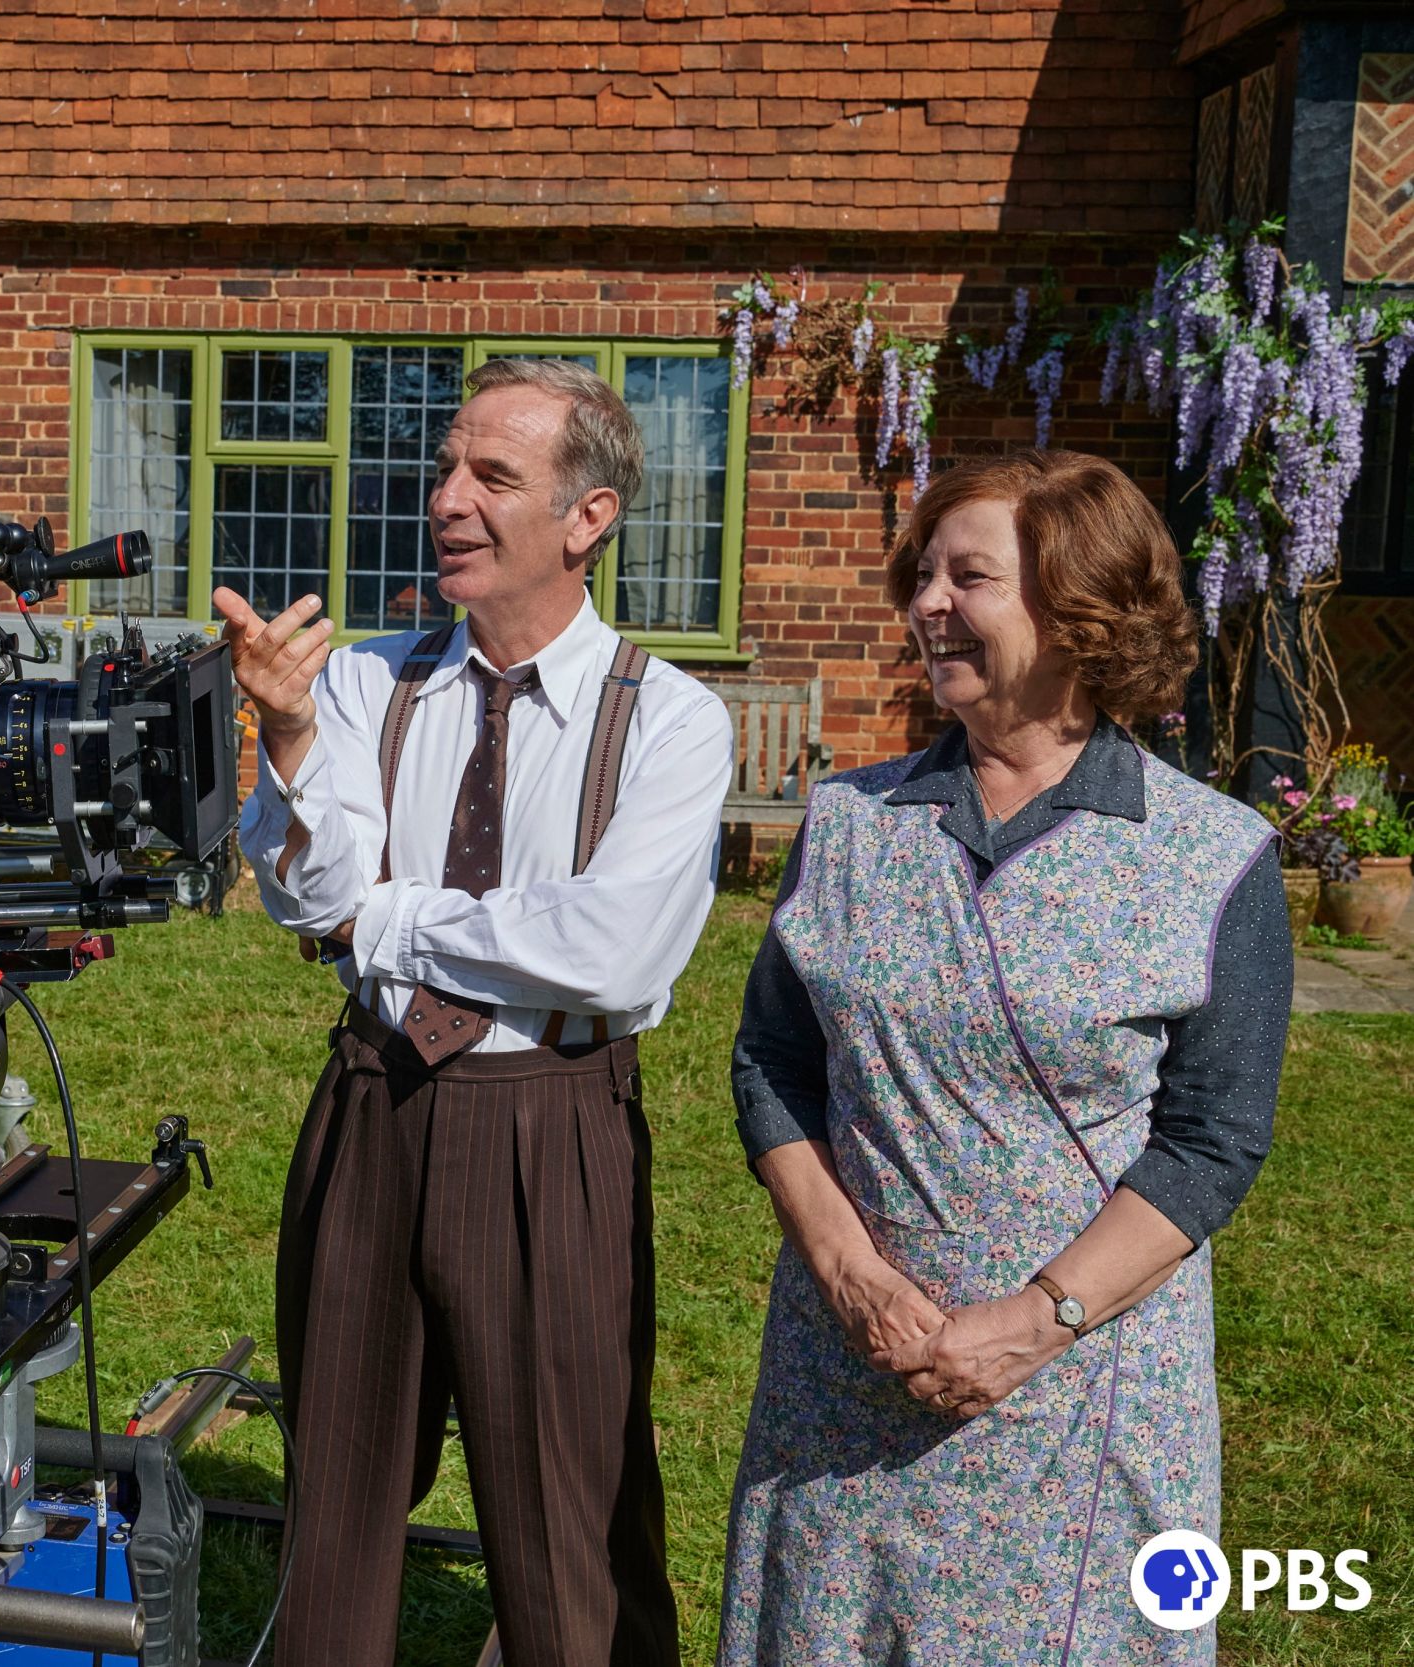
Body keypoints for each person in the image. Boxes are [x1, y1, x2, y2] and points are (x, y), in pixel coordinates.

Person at [721, 450, 1290, 1665]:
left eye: (967, 575)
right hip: (847, 1372)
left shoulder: (1209, 857)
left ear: (1080, 610)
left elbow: (1212, 1138)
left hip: (1081, 1382)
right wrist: (848, 1269)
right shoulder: (850, 822)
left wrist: (1038, 1317)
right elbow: (772, 1060)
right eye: (920, 573)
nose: (927, 601)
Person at [221, 355, 735, 1666]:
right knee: (335, 1486)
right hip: (374, 1101)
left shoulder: (668, 718)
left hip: (551, 1121)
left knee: (568, 1502)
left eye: (492, 475)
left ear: (587, 518)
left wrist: (391, 917)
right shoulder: (361, 682)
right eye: (446, 466)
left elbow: (611, 953)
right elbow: (305, 893)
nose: (448, 496)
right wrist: (286, 744)